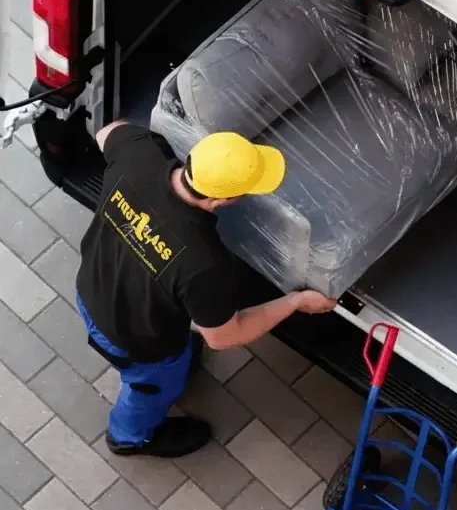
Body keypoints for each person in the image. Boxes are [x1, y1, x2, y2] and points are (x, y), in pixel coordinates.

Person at [76, 121, 336, 458]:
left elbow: (106, 132)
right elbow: (224, 336)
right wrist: (296, 301)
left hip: (91, 289)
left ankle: (176, 363)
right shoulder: (205, 264)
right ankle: (130, 437)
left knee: (176, 353)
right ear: (220, 200)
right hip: (137, 341)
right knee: (149, 389)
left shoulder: (138, 154)